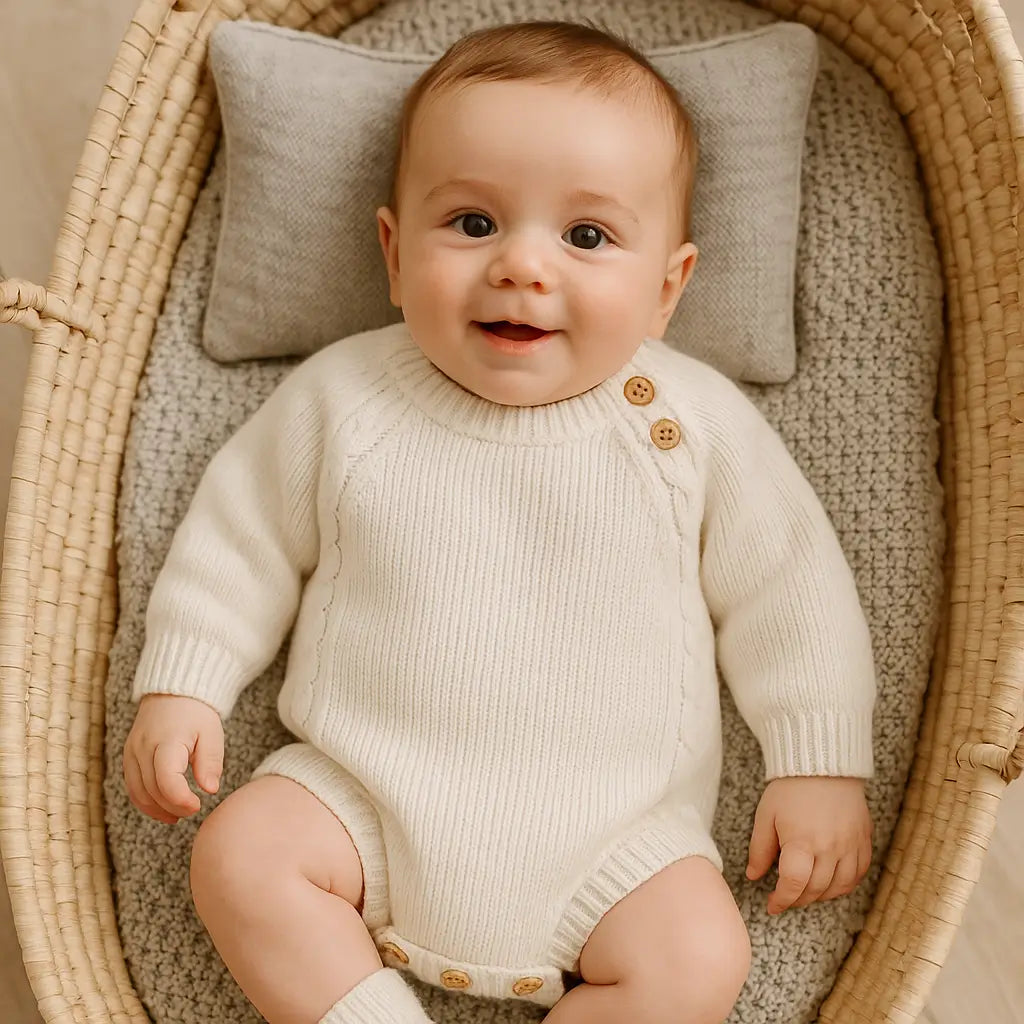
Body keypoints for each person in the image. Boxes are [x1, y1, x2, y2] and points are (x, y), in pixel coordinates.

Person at [123, 18, 875, 1024]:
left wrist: (817, 756)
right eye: (472, 224)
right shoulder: (346, 397)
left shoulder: (686, 423)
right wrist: (185, 681)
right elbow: (238, 539)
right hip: (362, 797)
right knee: (240, 854)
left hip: (617, 840)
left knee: (698, 957)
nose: (523, 266)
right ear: (392, 254)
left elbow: (788, 582)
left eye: (586, 236)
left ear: (666, 288)